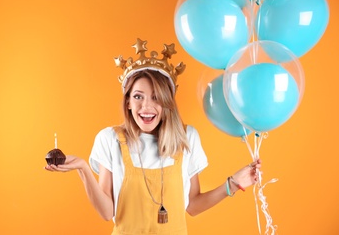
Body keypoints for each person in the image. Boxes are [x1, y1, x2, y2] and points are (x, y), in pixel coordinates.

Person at [45, 38, 261, 235]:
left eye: (156, 97)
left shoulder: (187, 138)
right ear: (128, 102)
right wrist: (83, 168)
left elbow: (192, 206)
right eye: (138, 96)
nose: (146, 107)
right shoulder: (110, 140)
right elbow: (106, 212)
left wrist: (233, 184)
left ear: (167, 102)